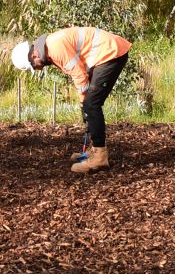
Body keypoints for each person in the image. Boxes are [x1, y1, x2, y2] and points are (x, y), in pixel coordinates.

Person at [10, 26, 132, 174]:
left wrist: (83, 104)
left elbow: (79, 75)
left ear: (35, 54)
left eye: (33, 66)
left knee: (91, 104)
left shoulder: (55, 48)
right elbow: (81, 71)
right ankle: (94, 150)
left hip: (111, 52)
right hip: (106, 53)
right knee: (90, 105)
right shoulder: (50, 49)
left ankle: (100, 157)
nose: (37, 69)